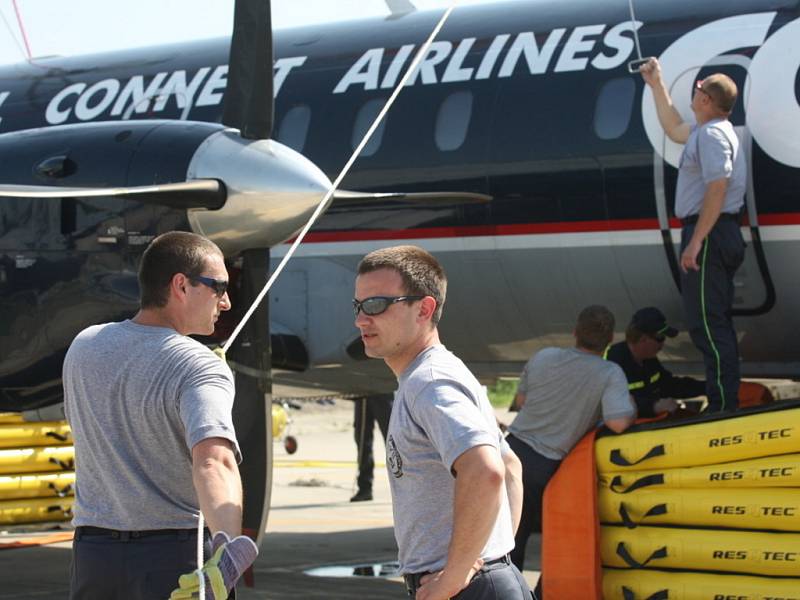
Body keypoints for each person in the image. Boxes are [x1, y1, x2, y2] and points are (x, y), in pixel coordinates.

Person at [63, 231, 257, 600]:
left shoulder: (83, 346)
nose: (228, 302)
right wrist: (228, 554)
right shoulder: (200, 366)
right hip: (174, 560)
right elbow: (215, 462)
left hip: (93, 557)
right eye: (218, 287)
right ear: (181, 286)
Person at [353, 245, 530, 600]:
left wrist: (457, 574)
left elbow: (486, 471)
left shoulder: (429, 382)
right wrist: (493, 554)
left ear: (424, 308)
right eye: (358, 306)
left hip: (464, 588)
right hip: (482, 583)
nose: (361, 319)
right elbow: (509, 466)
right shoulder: (435, 374)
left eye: (375, 305)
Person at [506, 305, 636, 598]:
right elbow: (617, 422)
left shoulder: (544, 356)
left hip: (509, 451)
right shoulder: (608, 372)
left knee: (508, 543)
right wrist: (632, 406)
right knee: (560, 544)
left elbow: (522, 400)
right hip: (546, 466)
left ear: (575, 332)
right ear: (609, 340)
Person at [640, 57, 746, 412]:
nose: (695, 91)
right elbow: (673, 128)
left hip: (710, 234)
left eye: (698, 89)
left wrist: (697, 240)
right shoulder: (706, 131)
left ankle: (722, 406)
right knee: (711, 321)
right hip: (715, 233)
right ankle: (724, 400)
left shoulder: (713, 135)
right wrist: (657, 84)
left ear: (705, 100)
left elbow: (718, 185)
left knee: (708, 325)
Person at [605, 307, 706, 418]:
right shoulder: (612, 363)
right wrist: (654, 407)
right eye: (660, 338)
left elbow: (669, 385)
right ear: (643, 339)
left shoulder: (649, 360)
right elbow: (612, 403)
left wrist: (707, 387)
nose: (662, 344)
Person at [351, 393, 393, 502]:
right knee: (362, 440)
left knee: (392, 443)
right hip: (362, 394)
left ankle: (403, 485)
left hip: (382, 392)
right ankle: (365, 488)